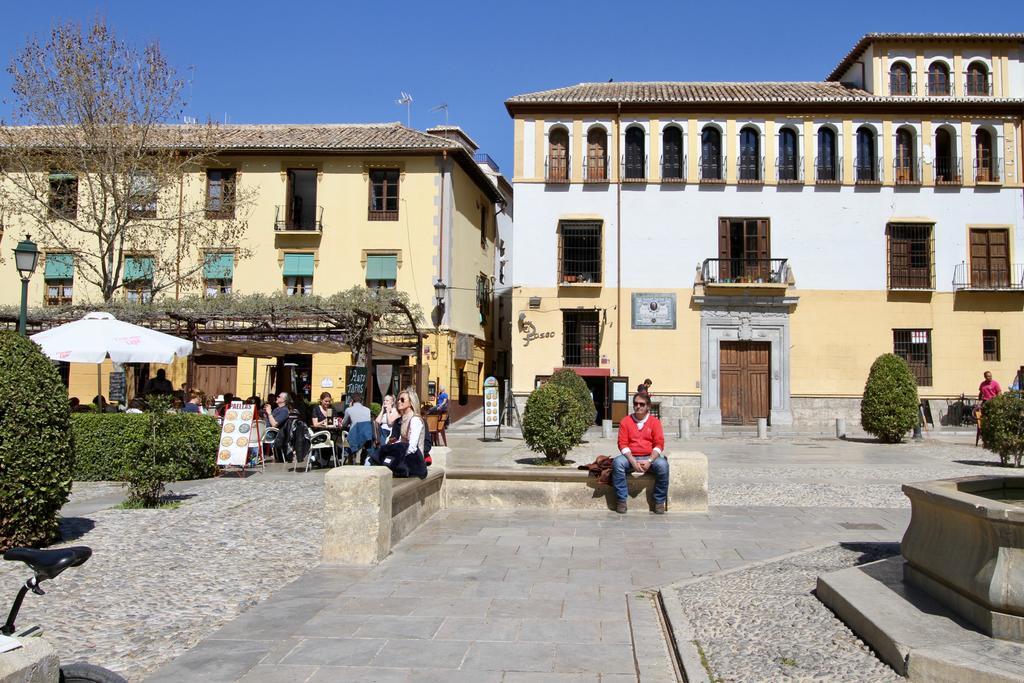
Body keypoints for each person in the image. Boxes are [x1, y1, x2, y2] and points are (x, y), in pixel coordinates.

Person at [612, 392, 668, 514]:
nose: (638, 406)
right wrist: (632, 461)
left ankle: (659, 502)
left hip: (649, 457)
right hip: (630, 457)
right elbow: (622, 443)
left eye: (641, 404)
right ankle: (621, 500)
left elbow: (659, 444)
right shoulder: (625, 421)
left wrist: (649, 461)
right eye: (635, 403)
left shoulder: (655, 422)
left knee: (663, 465)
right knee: (617, 463)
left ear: (648, 406)